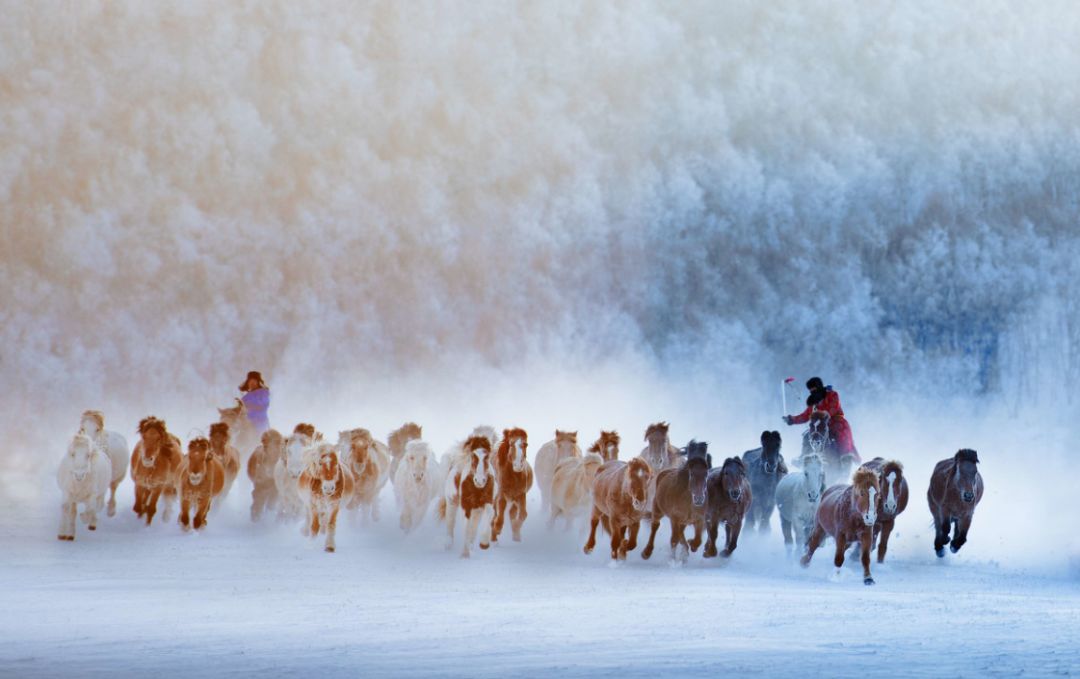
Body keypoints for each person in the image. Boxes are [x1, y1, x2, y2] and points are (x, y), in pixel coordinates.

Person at [783, 377, 858, 460]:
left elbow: (834, 407)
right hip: (820, 424)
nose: (813, 392)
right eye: (811, 391)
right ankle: (805, 457)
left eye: (814, 390)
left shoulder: (832, 395)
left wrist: (825, 413)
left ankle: (846, 456)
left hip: (835, 421)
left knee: (842, 433)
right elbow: (805, 415)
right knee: (808, 435)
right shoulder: (814, 402)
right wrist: (791, 419)